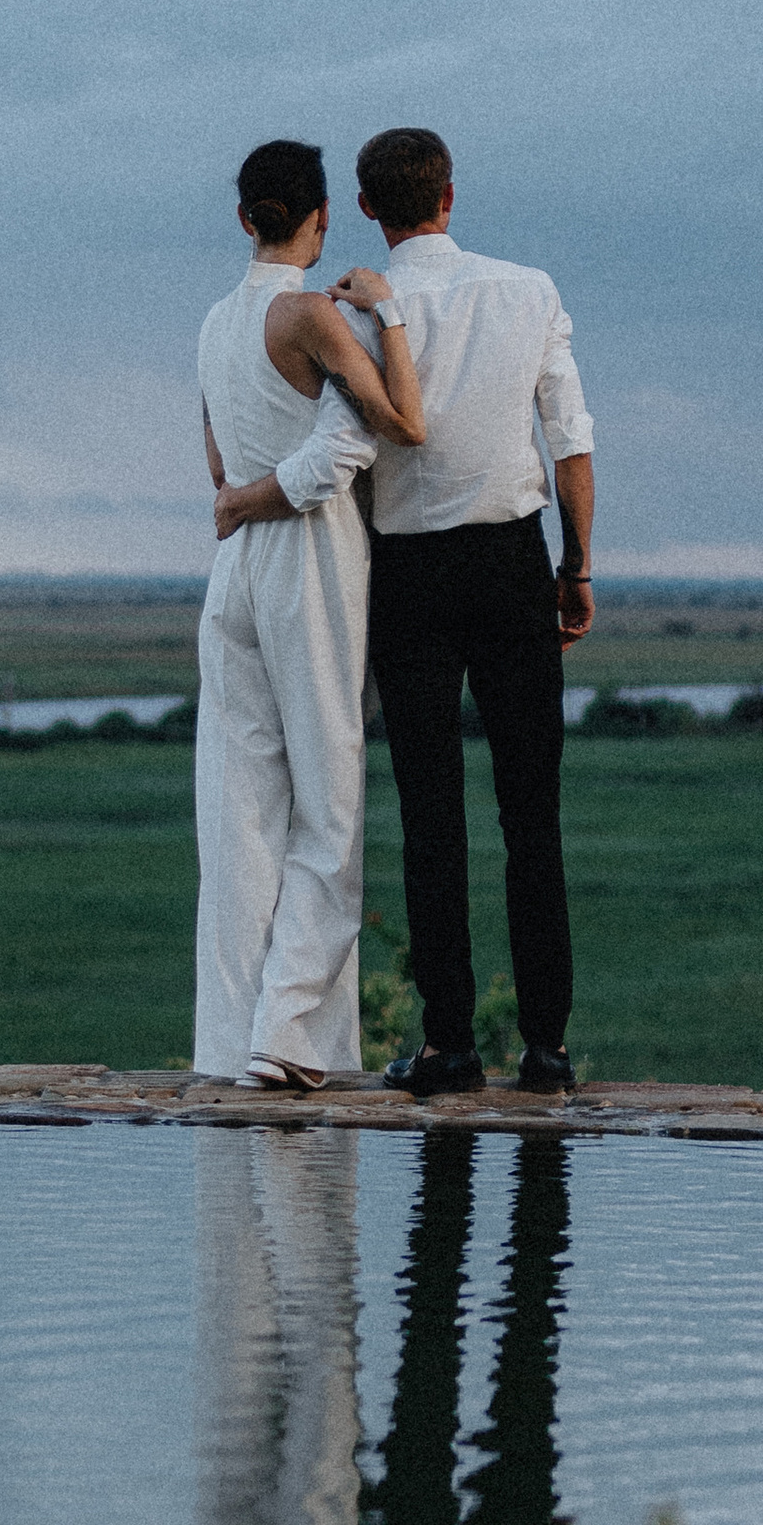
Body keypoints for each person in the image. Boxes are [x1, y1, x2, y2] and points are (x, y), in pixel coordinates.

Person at [215, 122, 592, 1093]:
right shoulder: (529, 290)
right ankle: (547, 1047)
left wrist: (246, 498)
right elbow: (569, 440)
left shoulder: (355, 311)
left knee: (431, 814)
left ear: (367, 208)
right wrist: (576, 566)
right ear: (449, 195)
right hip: (513, 558)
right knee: (532, 811)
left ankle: (447, 1044)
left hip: (408, 574)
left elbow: (347, 442)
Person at [193, 138, 426, 1087]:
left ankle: (232, 1040)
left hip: (233, 571)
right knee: (330, 805)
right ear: (322, 218)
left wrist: (242, 498)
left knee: (238, 812)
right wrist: (389, 317)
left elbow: (218, 463)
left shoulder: (215, 323)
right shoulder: (312, 316)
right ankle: (289, 1033)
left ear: (244, 218)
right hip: (310, 554)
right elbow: (374, 437)